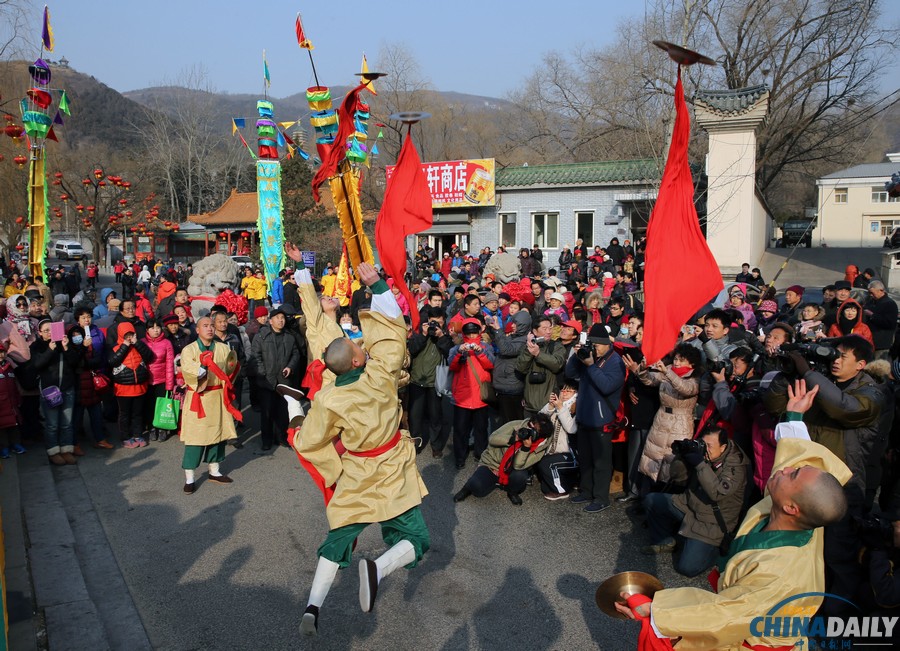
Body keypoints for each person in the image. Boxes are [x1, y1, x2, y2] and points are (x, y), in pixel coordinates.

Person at [616, 380, 851, 651]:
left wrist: (658, 613)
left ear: (792, 508)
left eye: (793, 474)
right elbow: (804, 469)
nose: (786, 467)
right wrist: (796, 417)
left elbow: (727, 615)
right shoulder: (803, 514)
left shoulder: (780, 573)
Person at [293, 262, 429, 636]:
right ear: (356, 359)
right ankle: (379, 567)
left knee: (339, 536)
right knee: (416, 537)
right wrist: (380, 287)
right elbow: (392, 337)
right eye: (358, 344)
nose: (362, 343)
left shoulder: (328, 395)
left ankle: (313, 606)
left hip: (355, 470)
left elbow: (310, 440)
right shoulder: (379, 375)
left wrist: (297, 424)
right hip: (391, 466)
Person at [641, 424, 750, 577]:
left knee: (687, 568)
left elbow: (717, 493)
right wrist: (684, 457)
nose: (705, 449)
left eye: (710, 446)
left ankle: (716, 551)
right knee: (652, 500)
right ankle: (665, 540)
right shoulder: (703, 454)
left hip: (712, 522)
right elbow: (677, 476)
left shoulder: (735, 465)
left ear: (723, 447)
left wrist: (699, 464)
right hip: (689, 505)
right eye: (703, 444)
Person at [564, 323, 626, 513]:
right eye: (593, 345)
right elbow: (570, 374)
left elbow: (607, 386)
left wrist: (591, 366)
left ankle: (601, 498)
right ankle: (586, 491)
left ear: (607, 344)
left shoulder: (616, 362)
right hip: (585, 417)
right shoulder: (591, 357)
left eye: (598, 345)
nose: (595, 348)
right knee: (586, 458)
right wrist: (577, 357)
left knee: (601, 462)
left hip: (602, 420)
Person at [179, 316, 241, 494]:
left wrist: (234, 369)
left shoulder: (222, 348)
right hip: (199, 397)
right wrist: (202, 366)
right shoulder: (189, 350)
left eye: (212, 326)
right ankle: (190, 477)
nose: (210, 329)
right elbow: (188, 371)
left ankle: (214, 471)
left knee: (218, 435)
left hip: (217, 397)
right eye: (205, 326)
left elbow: (231, 367)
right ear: (197, 330)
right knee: (195, 439)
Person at [625, 344, 701, 487]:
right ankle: (646, 496)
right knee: (653, 457)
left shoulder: (694, 378)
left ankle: (668, 495)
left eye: (681, 360)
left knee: (672, 461)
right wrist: (643, 367)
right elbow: (649, 380)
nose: (676, 362)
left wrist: (667, 372)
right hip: (661, 418)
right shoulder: (668, 371)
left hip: (680, 423)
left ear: (692, 363)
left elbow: (685, 389)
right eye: (676, 359)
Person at [453, 413, 554, 506]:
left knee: (520, 475)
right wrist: (512, 439)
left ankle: (512, 492)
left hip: (512, 470)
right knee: (477, 487)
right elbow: (492, 438)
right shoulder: (516, 425)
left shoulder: (539, 449)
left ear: (539, 435)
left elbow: (518, 465)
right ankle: (466, 488)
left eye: (533, 430)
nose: (528, 429)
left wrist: (526, 448)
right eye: (530, 425)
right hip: (492, 463)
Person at [31, 319, 82, 465]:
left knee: (67, 422)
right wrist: (50, 350)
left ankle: (66, 449)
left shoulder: (63, 343)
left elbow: (74, 363)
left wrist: (66, 348)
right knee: (52, 424)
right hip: (50, 390)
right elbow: (37, 364)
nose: (49, 333)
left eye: (51, 330)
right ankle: (53, 451)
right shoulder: (37, 346)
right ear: (39, 332)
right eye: (45, 330)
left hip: (67, 388)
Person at [250, 306, 301, 450]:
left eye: (283, 318)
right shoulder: (262, 336)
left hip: (284, 380)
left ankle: (281, 438)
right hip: (266, 380)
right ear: (270, 321)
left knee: (283, 411)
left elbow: (295, 354)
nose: (281, 321)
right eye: (277, 318)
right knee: (267, 412)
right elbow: (255, 356)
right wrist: (263, 373)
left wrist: (290, 367)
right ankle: (266, 440)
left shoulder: (289, 337)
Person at [448, 319, 495, 469]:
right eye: (468, 333)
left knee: (481, 429)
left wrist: (480, 352)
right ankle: (459, 457)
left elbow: (490, 364)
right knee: (460, 430)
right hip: (462, 395)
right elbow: (452, 366)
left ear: (479, 332)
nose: (472, 335)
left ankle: (480, 454)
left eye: (474, 332)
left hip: (481, 394)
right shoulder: (456, 348)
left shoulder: (486, 347)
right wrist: (459, 352)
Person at [406, 306, 453, 456]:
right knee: (415, 416)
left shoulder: (446, 337)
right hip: (417, 380)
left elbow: (450, 353)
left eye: (438, 323)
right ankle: (415, 444)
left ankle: (436, 446)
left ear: (443, 322)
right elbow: (411, 349)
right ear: (427, 322)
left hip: (435, 382)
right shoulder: (419, 334)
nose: (435, 326)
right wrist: (424, 335)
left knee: (435, 416)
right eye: (433, 322)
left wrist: (441, 337)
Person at [109, 322, 154, 448]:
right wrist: (124, 346)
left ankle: (137, 434)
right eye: (126, 335)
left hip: (139, 386)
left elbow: (149, 356)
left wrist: (137, 343)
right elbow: (113, 361)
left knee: (137, 413)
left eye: (131, 334)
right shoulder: (115, 348)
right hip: (123, 388)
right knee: (124, 414)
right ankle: (125, 436)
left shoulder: (139, 345)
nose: (129, 337)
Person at [535, 381, 580, 499]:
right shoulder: (556, 405)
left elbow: (572, 429)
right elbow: (539, 419)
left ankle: (562, 491)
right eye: (563, 390)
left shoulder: (576, 406)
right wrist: (550, 406)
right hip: (553, 452)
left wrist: (560, 408)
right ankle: (570, 481)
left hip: (571, 454)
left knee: (547, 464)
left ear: (575, 393)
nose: (564, 393)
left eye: (568, 391)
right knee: (545, 487)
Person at [516, 315, 567, 418]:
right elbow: (521, 368)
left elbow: (557, 364)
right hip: (530, 403)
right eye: (544, 329)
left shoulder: (556, 346)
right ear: (534, 331)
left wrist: (539, 354)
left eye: (550, 328)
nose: (548, 331)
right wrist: (528, 351)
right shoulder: (527, 347)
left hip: (549, 404)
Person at [143, 318, 175, 442]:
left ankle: (162, 428)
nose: (155, 330)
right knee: (149, 406)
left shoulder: (166, 343)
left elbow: (169, 364)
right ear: (147, 330)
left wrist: (169, 384)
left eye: (158, 327)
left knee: (161, 406)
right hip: (147, 380)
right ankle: (151, 427)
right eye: (152, 328)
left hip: (161, 380)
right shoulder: (142, 342)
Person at [864, 280, 898, 359]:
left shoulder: (889, 304)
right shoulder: (870, 301)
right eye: (869, 293)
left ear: (881, 291)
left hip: (881, 344)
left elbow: (890, 323)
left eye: (872, 293)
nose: (871, 295)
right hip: (869, 341)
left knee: (879, 368)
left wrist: (872, 315)